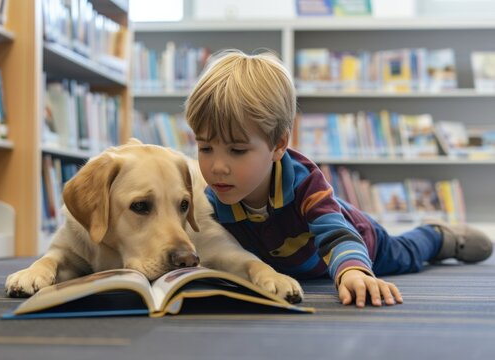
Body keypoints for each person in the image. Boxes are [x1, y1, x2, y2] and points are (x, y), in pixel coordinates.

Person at [184, 50, 493, 308]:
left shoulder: (304, 183)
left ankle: (439, 237)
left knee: (406, 255)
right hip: (296, 263)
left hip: (360, 238)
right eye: (205, 147)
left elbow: (335, 234)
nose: (217, 167)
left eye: (237, 150)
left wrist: (353, 271)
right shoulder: (213, 198)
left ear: (278, 145)